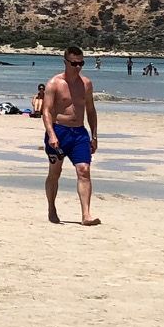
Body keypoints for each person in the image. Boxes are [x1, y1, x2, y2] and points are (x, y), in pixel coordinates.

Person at [40, 46, 99, 226]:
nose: (78, 67)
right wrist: (51, 135)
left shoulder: (86, 84)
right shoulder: (54, 84)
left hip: (79, 133)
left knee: (84, 171)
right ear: (65, 62)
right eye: (74, 63)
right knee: (54, 173)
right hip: (59, 131)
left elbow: (90, 110)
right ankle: (51, 207)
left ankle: (86, 215)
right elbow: (47, 111)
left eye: (81, 63)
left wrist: (94, 136)